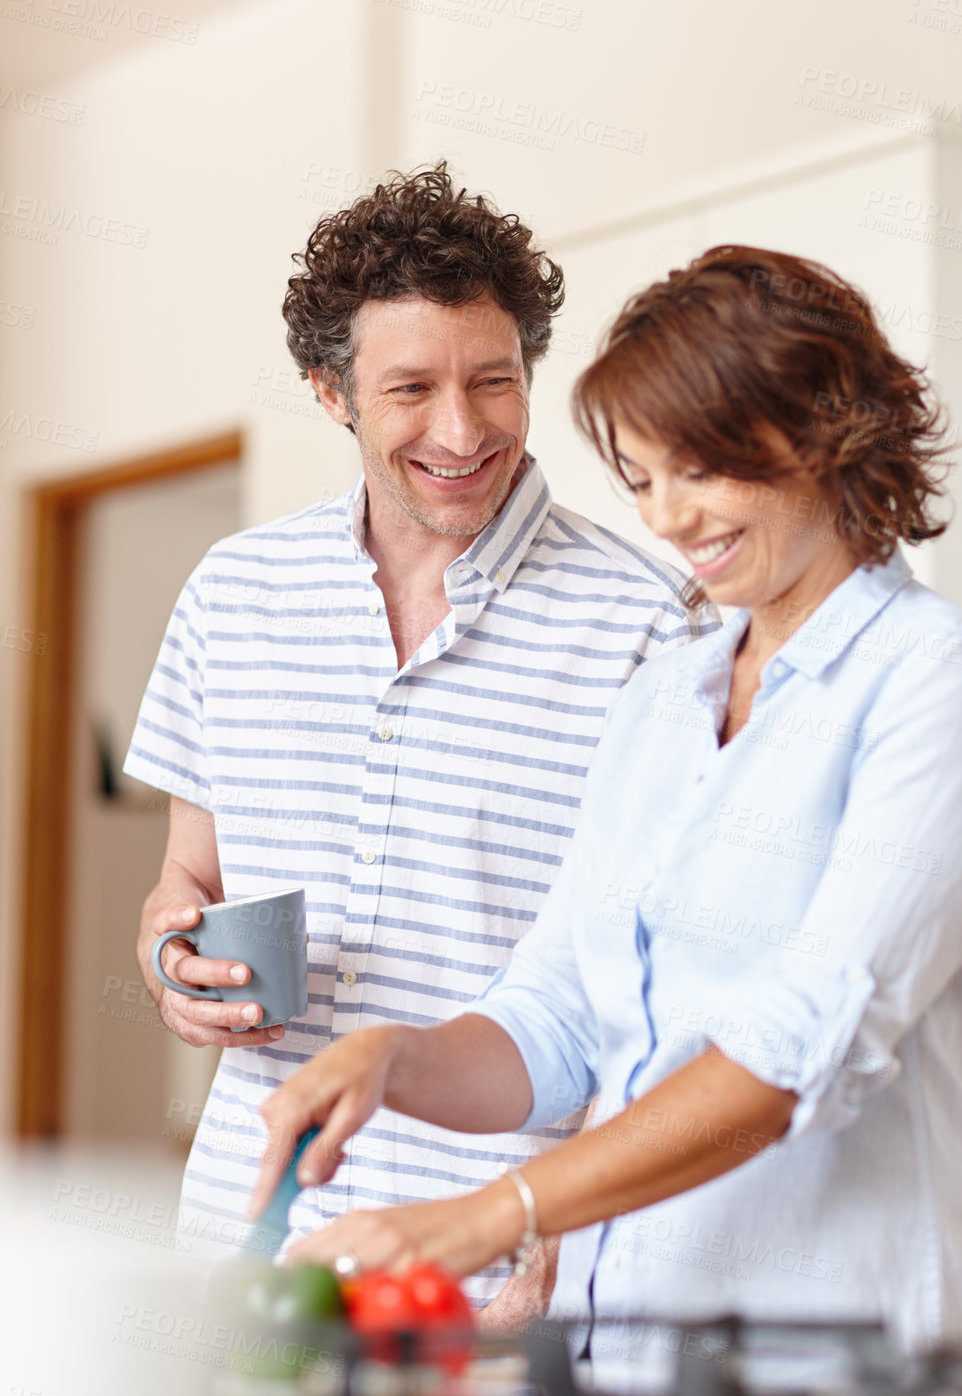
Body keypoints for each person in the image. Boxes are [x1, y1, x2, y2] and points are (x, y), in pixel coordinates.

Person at [250, 245, 962, 1353]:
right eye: (638, 479)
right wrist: (395, 1059)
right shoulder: (664, 700)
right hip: (621, 1387)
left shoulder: (935, 679)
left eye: (701, 467)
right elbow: (558, 1016)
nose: (668, 517)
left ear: (825, 431)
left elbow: (792, 1048)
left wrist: (493, 1214)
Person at [127, 164, 714, 1328]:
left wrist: (553, 1262)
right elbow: (187, 879)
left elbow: (669, 991)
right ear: (327, 389)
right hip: (252, 1247)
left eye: (493, 381)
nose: (461, 430)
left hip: (496, 1269)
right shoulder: (235, 592)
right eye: (410, 389)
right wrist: (171, 965)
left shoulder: (653, 621)